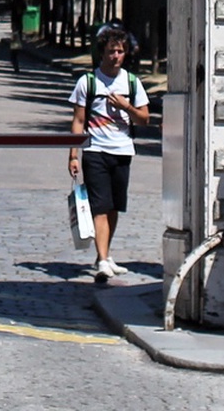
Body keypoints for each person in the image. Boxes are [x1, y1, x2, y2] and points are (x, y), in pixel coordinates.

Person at [67, 27, 150, 284]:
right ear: (102, 53)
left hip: (122, 150)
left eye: (120, 51)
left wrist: (126, 106)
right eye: (111, 51)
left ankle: (106, 253)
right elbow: (78, 120)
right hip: (95, 151)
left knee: (114, 206)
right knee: (100, 206)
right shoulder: (88, 82)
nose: (116, 56)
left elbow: (145, 119)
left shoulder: (132, 83)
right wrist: (73, 155)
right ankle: (102, 260)